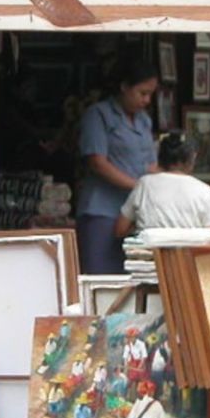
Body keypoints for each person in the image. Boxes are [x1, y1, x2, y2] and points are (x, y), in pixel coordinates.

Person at [75, 61, 159, 275]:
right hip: (103, 209)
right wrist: (138, 187)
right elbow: (97, 162)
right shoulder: (99, 115)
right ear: (124, 87)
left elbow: (150, 164)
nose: (146, 100)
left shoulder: (144, 121)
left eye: (150, 94)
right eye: (142, 93)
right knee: (100, 279)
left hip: (135, 214)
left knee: (132, 279)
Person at [113, 133, 210, 238]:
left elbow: (120, 229)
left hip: (149, 254)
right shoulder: (204, 190)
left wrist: (144, 229)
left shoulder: (144, 184)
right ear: (192, 158)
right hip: (187, 255)